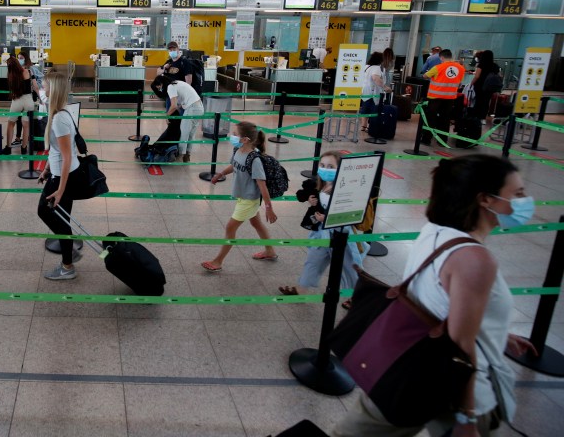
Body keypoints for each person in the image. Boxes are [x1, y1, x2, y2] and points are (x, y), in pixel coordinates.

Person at [333, 154, 537, 436]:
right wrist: (467, 419)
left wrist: (494, 331)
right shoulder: (476, 259)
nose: (525, 201)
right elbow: (461, 344)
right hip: (449, 385)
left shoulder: (434, 232)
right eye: (517, 193)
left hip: (407, 358)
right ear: (485, 199)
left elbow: (436, 298)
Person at [278, 151, 367, 304]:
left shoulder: (346, 189)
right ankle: (301, 289)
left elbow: (350, 214)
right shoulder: (319, 185)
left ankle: (355, 297)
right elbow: (303, 196)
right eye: (323, 165)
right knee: (313, 261)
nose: (325, 169)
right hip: (321, 233)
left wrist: (326, 218)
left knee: (349, 266)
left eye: (330, 166)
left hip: (341, 234)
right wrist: (311, 201)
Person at [201, 121, 279, 270]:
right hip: (243, 197)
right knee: (256, 223)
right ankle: (270, 251)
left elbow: (262, 186)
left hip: (249, 199)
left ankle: (218, 261)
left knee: (230, 227)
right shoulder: (238, 150)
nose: (232, 136)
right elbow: (234, 165)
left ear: (245, 139)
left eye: (235, 134)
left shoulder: (254, 159)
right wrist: (221, 173)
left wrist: (269, 207)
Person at [36, 71, 87, 281]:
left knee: (45, 212)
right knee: (61, 218)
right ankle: (69, 252)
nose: (43, 88)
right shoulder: (61, 112)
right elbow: (57, 151)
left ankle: (67, 266)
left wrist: (60, 189)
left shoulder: (59, 119)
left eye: (45, 85)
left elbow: (66, 156)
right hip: (60, 173)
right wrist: (47, 169)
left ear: (53, 89)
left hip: (64, 177)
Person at [152, 74, 202, 163]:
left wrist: (167, 116)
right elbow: (178, 105)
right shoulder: (177, 83)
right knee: (190, 133)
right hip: (199, 107)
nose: (160, 89)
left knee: (184, 132)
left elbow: (174, 105)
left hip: (192, 108)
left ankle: (180, 154)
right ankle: (187, 154)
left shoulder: (171, 87)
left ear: (161, 83)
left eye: (159, 87)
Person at [422, 49, 466, 146]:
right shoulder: (461, 68)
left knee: (430, 118)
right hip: (450, 98)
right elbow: (459, 81)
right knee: (445, 119)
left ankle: (426, 139)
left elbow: (425, 76)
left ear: (441, 57)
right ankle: (442, 140)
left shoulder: (438, 67)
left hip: (435, 97)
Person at [2, 55, 38, 154]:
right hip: (28, 100)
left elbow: (12, 91)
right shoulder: (28, 72)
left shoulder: (11, 75)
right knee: (26, 125)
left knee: (11, 124)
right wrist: (41, 98)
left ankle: (8, 148)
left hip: (17, 100)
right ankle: (24, 148)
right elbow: (35, 87)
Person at [360, 51, 390, 133]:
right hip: (373, 92)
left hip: (365, 91)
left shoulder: (366, 66)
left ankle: (363, 126)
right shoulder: (376, 68)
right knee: (373, 109)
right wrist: (385, 87)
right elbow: (375, 78)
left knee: (365, 108)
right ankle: (371, 126)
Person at [469, 50, 502, 121]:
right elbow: (500, 76)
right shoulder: (495, 66)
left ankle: (476, 117)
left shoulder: (481, 64)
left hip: (480, 85)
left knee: (478, 101)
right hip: (490, 86)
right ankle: (483, 118)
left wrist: (471, 83)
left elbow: (477, 76)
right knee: (486, 102)